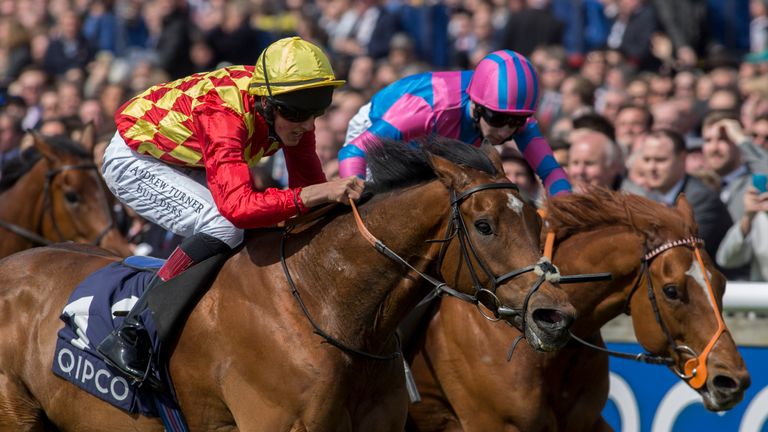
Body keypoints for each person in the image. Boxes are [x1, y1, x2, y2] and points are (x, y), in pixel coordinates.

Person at [98, 37, 364, 386]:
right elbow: (238, 208)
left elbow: (309, 192)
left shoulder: (289, 107)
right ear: (267, 104)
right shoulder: (224, 114)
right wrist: (314, 194)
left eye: (316, 113)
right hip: (135, 157)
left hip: (187, 157)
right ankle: (134, 331)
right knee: (224, 224)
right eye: (297, 115)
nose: (308, 126)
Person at [338, 49, 572, 197]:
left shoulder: (510, 114)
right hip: (385, 132)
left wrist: (564, 216)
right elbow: (352, 152)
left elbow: (552, 173)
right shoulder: (426, 110)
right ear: (477, 107)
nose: (506, 130)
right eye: (498, 119)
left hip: (435, 140)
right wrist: (357, 201)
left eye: (516, 121)